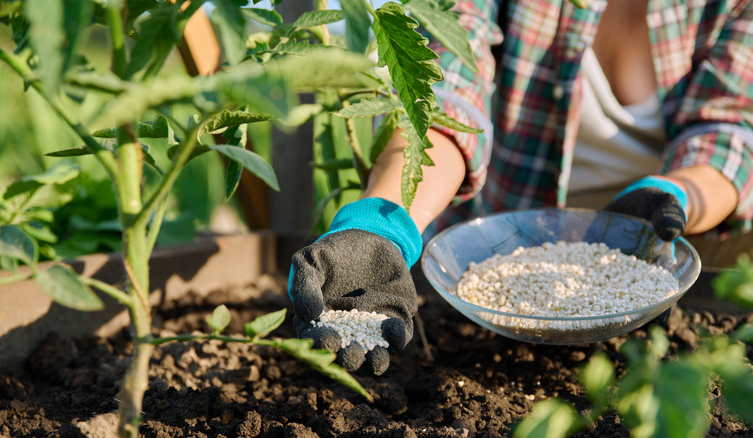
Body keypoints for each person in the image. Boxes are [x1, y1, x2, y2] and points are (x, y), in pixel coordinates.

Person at [288, 0, 753, 375]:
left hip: (644, 252)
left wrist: (679, 193)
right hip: (493, 253)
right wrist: (382, 224)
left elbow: (728, 130)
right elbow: (447, 94)